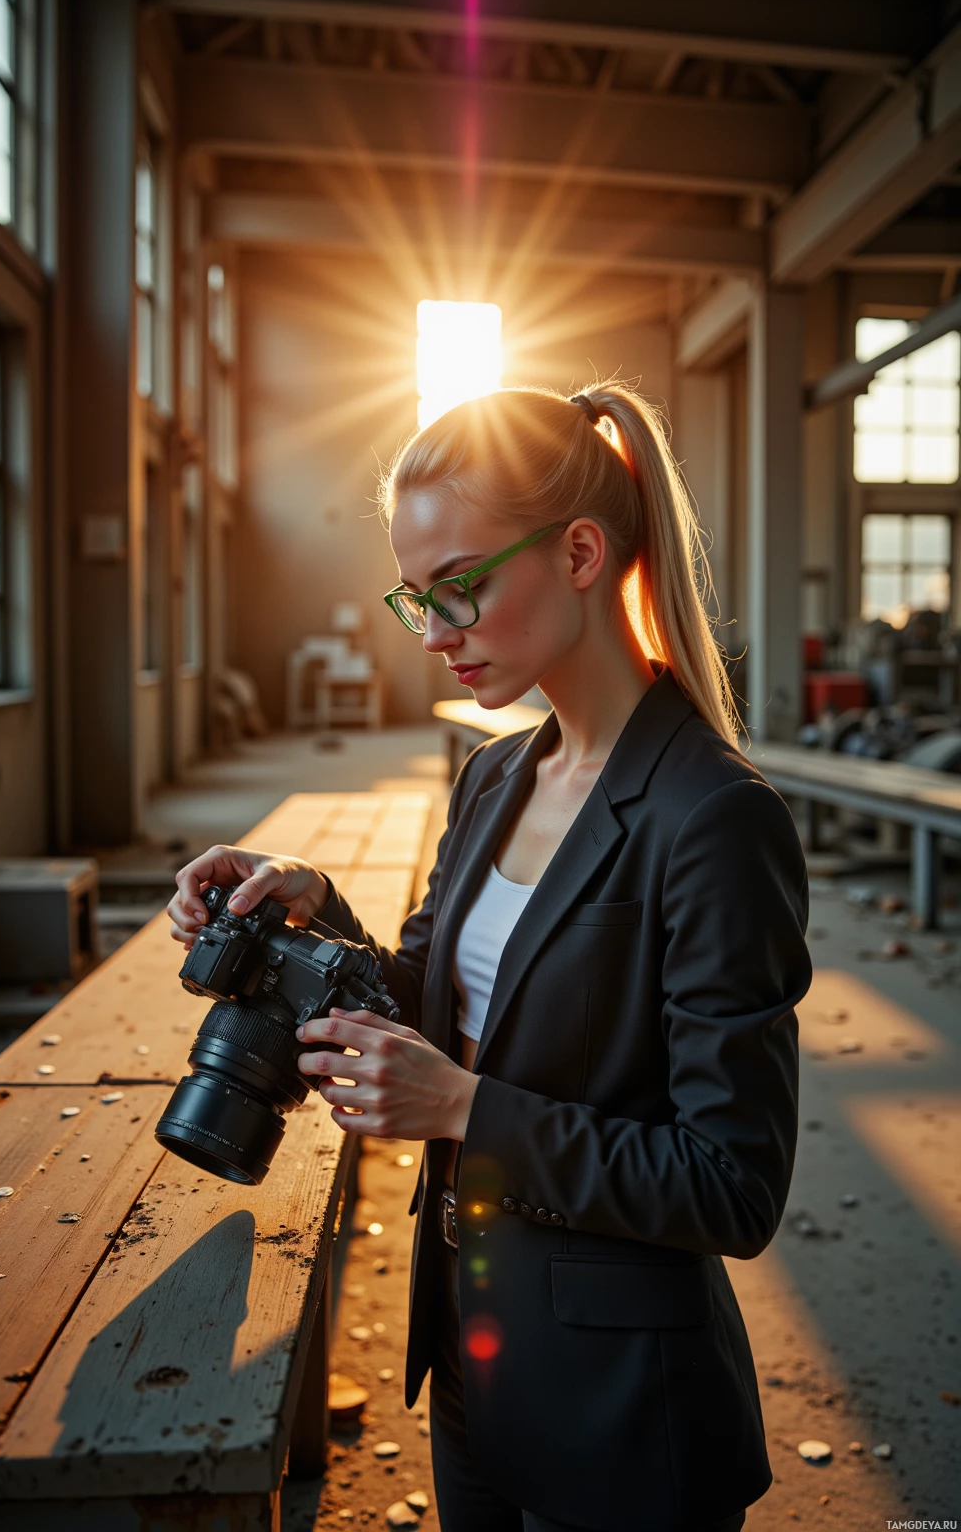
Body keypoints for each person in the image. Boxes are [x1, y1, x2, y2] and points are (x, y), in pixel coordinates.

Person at [167, 383, 812, 1532]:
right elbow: (442, 1002)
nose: (432, 631)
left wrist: (465, 1107)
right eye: (415, 596)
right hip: (468, 1363)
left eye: (459, 586)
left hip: (620, 1412)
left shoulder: (711, 818)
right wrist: (317, 914)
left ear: (577, 552)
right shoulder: (496, 777)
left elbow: (732, 1185)